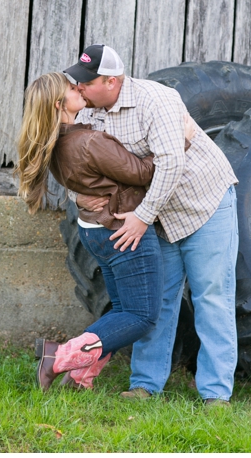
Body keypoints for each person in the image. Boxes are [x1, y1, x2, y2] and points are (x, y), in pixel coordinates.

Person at [63, 44, 239, 406]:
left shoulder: (156, 100)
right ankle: (145, 385)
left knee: (211, 296)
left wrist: (142, 217)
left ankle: (216, 393)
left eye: (86, 82)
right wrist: (86, 202)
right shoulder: (88, 115)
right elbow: (81, 168)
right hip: (153, 214)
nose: (78, 88)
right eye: (76, 82)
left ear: (112, 81)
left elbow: (171, 164)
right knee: (158, 300)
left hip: (203, 204)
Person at [17, 72, 194, 390]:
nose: (79, 88)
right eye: (72, 89)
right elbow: (143, 173)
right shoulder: (88, 142)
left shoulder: (57, 141)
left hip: (94, 230)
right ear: (60, 104)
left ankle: (80, 374)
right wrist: (180, 140)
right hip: (120, 230)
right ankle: (59, 357)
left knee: (123, 309)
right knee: (141, 316)